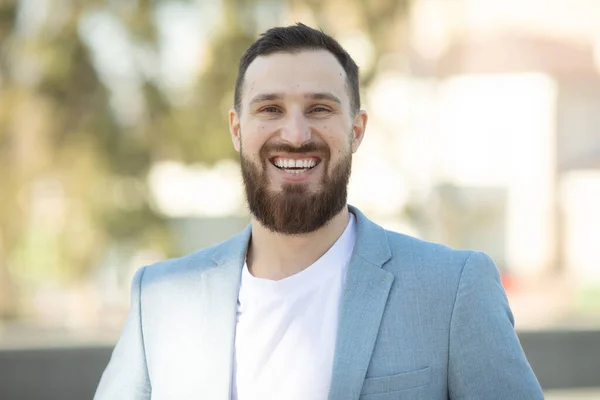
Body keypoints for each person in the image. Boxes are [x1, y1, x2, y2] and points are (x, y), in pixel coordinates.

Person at [94, 23, 544, 400]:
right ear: (237, 129)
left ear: (357, 129)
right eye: (270, 108)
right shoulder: (158, 299)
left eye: (319, 108)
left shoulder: (453, 290)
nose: (294, 134)